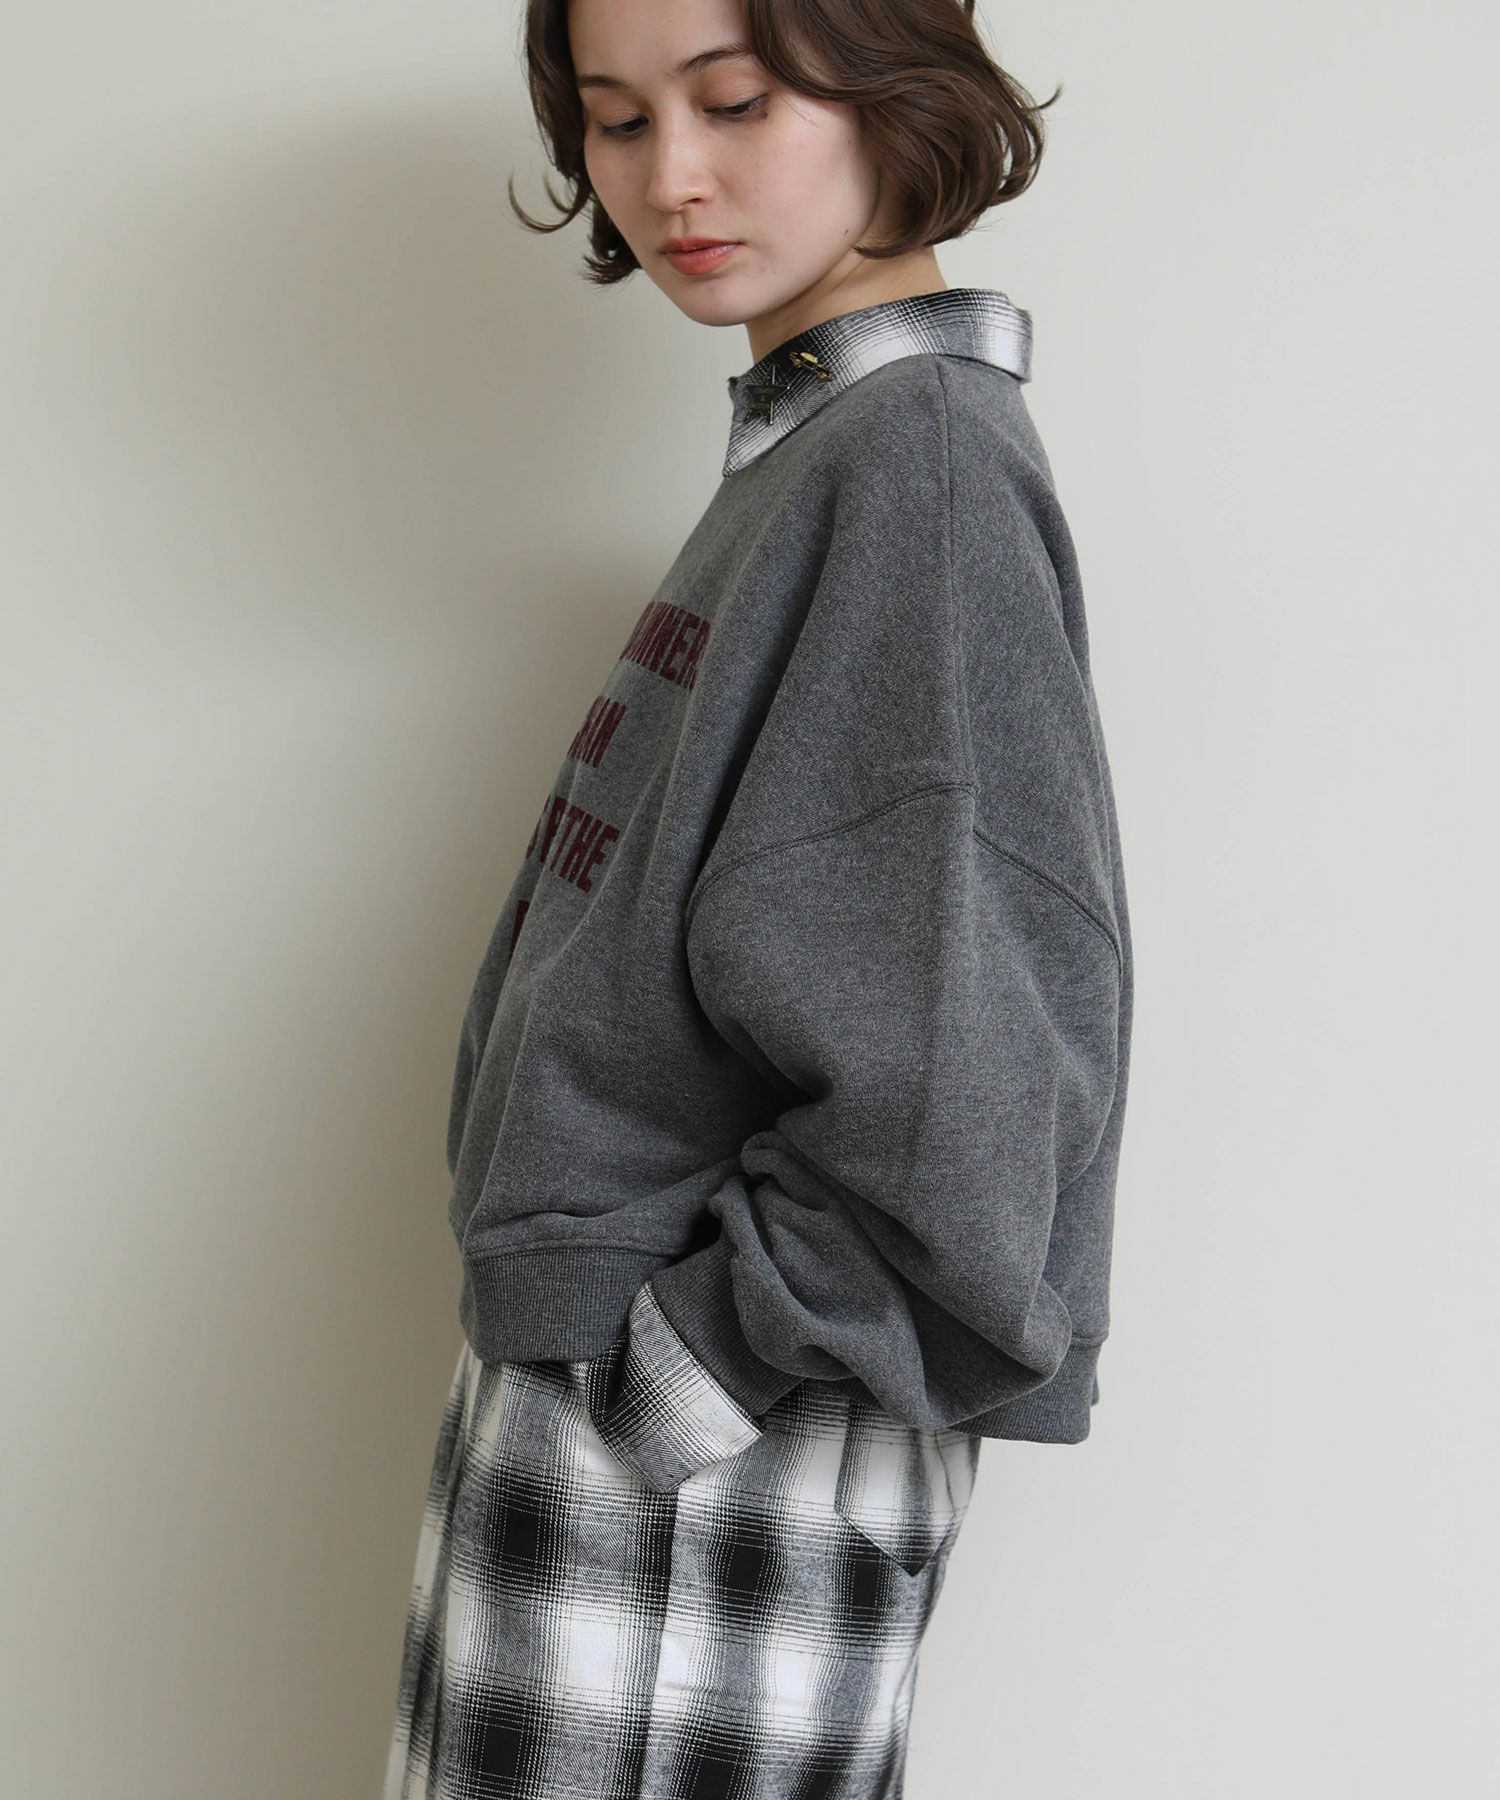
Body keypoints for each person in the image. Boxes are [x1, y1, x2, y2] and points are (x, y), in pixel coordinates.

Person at [384, 2, 1134, 1795]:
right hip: (642, 1422)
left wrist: (676, 1383)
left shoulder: (916, 467)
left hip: (701, 1453)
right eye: (619, 119)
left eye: (734, 101)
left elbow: (967, 1083)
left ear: (892, 83)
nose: (672, 179)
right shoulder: (822, 453)